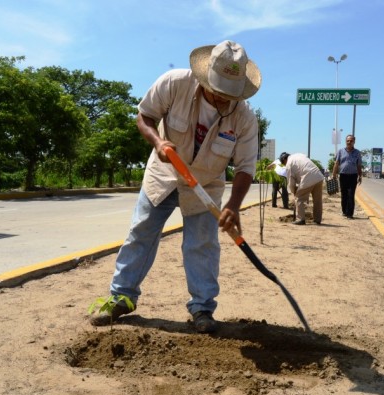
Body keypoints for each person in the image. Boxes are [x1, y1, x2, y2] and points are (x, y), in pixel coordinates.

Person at [90, 40, 261, 333]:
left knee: (202, 246)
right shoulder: (174, 83)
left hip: (205, 186)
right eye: (217, 91)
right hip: (164, 174)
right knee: (141, 232)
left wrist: (233, 206)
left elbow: (245, 167)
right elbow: (144, 116)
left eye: (229, 95)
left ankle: (203, 309)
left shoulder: (244, 118)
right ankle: (121, 298)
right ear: (206, 77)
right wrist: (157, 142)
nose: (223, 100)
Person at [279, 152, 325, 225]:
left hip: (308, 177)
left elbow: (291, 183)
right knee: (317, 200)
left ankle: (300, 219)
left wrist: (294, 192)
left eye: (283, 163)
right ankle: (317, 219)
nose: (284, 165)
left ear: (284, 159)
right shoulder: (299, 155)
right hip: (318, 176)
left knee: (299, 198)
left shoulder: (289, 164)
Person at [333, 135, 363, 219]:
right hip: (343, 176)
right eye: (348, 140)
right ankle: (344, 211)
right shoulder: (340, 151)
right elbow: (336, 163)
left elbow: (359, 165)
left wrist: (360, 176)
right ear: (345, 141)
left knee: (351, 194)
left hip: (353, 176)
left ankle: (350, 213)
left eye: (351, 141)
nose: (349, 142)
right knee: (344, 194)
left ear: (354, 142)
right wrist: (334, 174)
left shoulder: (357, 152)